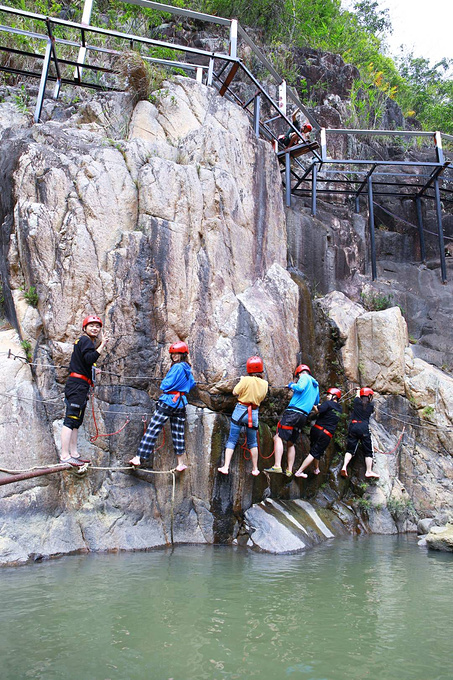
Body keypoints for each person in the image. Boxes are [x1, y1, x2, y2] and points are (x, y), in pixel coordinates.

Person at [129, 342, 196, 472]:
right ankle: (180, 463)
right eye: (173, 354)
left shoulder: (177, 367)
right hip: (181, 403)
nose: (175, 356)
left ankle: (138, 457)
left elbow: (165, 385)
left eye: (177, 353)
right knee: (178, 432)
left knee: (153, 428)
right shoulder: (188, 368)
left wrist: (167, 383)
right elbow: (192, 384)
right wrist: (182, 387)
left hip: (169, 401)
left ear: (183, 354)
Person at [60, 315, 109, 466]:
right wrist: (103, 345)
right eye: (91, 326)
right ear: (85, 328)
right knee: (70, 420)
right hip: (77, 385)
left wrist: (93, 370)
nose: (95, 328)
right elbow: (89, 358)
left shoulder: (84, 342)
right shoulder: (86, 340)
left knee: (76, 421)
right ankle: (64, 455)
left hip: (79, 384)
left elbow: (84, 361)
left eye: (97, 326)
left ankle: (74, 453)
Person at [218, 356, 269, 477]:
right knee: (253, 442)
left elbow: (235, 392)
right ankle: (255, 468)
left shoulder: (245, 380)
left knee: (232, 439)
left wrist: (242, 381)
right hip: (254, 413)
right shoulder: (265, 383)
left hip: (241, 411)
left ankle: (226, 467)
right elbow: (262, 398)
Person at [265, 364, 319, 476]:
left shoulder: (304, 377)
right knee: (290, 443)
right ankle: (289, 469)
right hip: (303, 417)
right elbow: (316, 401)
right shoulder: (316, 385)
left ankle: (277, 466)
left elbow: (300, 388)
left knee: (278, 437)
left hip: (293, 412)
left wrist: (291, 385)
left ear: (299, 373)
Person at [294, 388, 342, 478]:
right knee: (315, 452)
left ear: (334, 396)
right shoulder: (340, 408)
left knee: (315, 450)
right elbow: (324, 410)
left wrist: (315, 405)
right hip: (325, 434)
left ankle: (316, 468)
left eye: (329, 394)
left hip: (316, 430)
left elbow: (318, 410)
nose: (327, 396)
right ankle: (300, 471)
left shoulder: (327, 404)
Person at [340, 387, 379, 479]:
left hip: (353, 426)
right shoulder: (371, 406)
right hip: (363, 428)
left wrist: (358, 390)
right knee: (368, 451)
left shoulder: (356, 402)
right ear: (369, 396)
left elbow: (357, 396)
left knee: (350, 449)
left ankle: (344, 466)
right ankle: (368, 471)